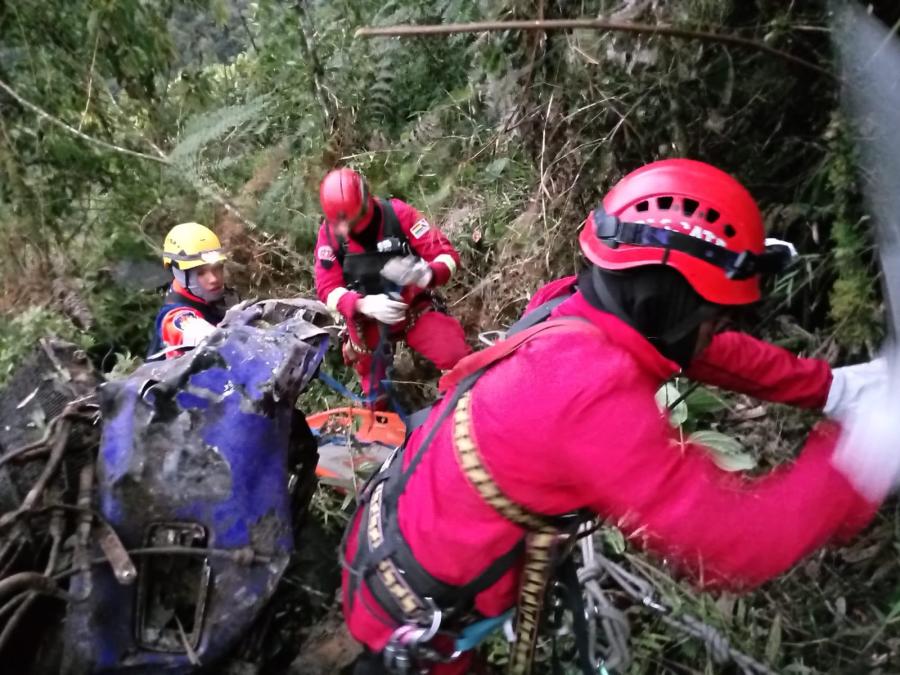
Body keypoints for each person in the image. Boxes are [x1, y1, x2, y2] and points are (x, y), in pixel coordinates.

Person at [340, 159, 900, 674]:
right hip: (413, 616)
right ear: (670, 302)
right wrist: (864, 455)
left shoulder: (574, 309)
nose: (714, 330)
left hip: (400, 541)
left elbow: (698, 349)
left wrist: (831, 389)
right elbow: (734, 539)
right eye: (711, 316)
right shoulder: (589, 396)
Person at [314, 168, 472, 408]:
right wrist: (362, 304)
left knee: (457, 358)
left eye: (351, 223)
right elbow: (327, 288)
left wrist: (427, 273)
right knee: (375, 397)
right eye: (339, 225)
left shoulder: (398, 215)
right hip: (367, 325)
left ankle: (459, 409)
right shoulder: (330, 235)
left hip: (412, 311)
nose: (344, 231)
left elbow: (447, 255)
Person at [147, 222, 238, 360]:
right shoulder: (175, 317)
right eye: (201, 273)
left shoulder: (212, 298)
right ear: (179, 274)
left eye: (216, 268)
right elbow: (201, 333)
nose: (213, 279)